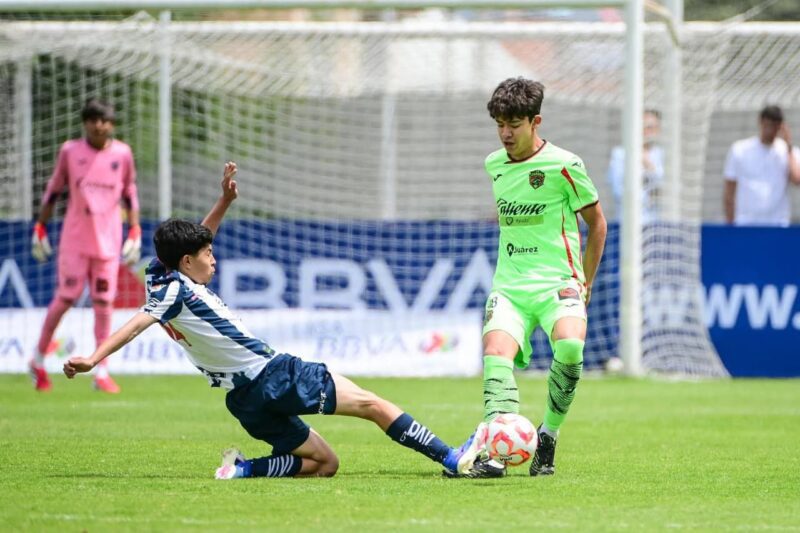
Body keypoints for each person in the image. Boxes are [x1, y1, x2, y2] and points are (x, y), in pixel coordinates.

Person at [62, 162, 499, 480]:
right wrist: (94, 359)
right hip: (273, 374)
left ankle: (243, 470)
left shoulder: (161, 273)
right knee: (373, 404)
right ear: (186, 261)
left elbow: (196, 240)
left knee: (325, 464)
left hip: (244, 400)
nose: (213, 257)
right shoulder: (174, 291)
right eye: (207, 254)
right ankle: (453, 458)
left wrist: (224, 201)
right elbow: (137, 323)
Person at [477, 77, 607, 477]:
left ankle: (548, 435)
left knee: (570, 347)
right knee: (495, 354)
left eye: (514, 124)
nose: (505, 133)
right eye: (500, 124)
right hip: (510, 287)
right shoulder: (494, 165)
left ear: (536, 121)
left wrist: (584, 283)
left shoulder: (565, 165)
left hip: (558, 284)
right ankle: (495, 453)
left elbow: (597, 225)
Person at [30, 98, 141, 393]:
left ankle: (101, 371)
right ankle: (38, 360)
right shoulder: (70, 151)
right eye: (92, 119)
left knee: (104, 303)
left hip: (108, 244)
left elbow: (130, 193)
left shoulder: (123, 154)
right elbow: (54, 190)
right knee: (65, 298)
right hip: (75, 241)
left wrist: (135, 230)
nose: (98, 125)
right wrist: (40, 226)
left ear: (112, 124)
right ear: (85, 123)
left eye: (103, 120)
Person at [723, 105, 800, 227]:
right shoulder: (740, 150)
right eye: (768, 125)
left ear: (780, 126)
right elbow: (729, 192)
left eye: (775, 126)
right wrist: (730, 224)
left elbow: (797, 179)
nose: (770, 130)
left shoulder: (787, 152)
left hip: (778, 224)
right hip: (746, 224)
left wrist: (788, 146)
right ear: (760, 122)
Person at [606, 109, 664, 224]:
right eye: (644, 126)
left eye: (651, 127)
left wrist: (649, 167)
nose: (647, 131)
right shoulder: (620, 154)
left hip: (653, 225)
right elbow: (618, 191)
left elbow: (665, 188)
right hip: (626, 223)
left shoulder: (660, 155)